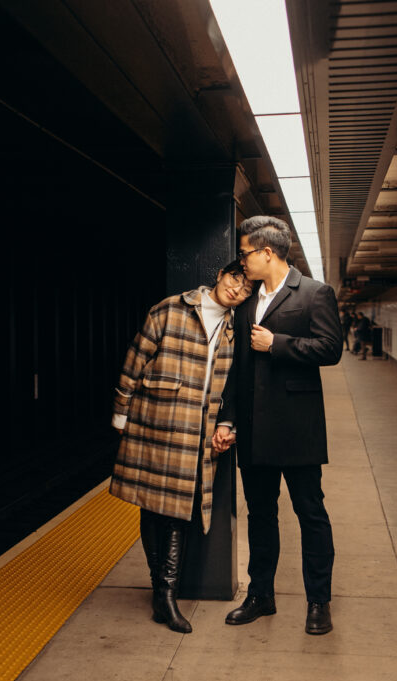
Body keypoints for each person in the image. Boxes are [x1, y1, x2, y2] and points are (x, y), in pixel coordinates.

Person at [213, 215, 343, 636]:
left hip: (297, 427)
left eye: (246, 253)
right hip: (253, 428)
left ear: (268, 252)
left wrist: (279, 344)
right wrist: (229, 417)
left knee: (311, 514)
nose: (242, 262)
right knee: (261, 515)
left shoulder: (314, 293)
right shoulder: (248, 301)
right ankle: (260, 595)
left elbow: (331, 348)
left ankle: (319, 601)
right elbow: (237, 367)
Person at [110, 260, 253, 634]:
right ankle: (163, 593)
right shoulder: (170, 308)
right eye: (235, 279)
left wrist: (227, 423)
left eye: (246, 288)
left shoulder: (235, 328)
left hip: (197, 431)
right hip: (156, 421)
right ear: (221, 275)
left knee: (180, 511)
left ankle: (165, 595)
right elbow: (135, 358)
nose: (237, 289)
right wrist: (121, 409)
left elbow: (233, 383)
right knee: (153, 505)